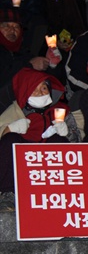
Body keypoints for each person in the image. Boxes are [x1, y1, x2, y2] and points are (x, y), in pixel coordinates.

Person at [0, 68, 80, 206]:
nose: (40, 93)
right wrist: (8, 129)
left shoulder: (61, 112)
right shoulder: (15, 111)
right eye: (34, 89)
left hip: (47, 165)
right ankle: (8, 195)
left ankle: (61, 194)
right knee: (10, 139)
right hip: (20, 165)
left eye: (43, 88)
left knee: (58, 141)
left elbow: (78, 145)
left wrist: (67, 133)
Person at [0, 7, 49, 88]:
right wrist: (29, 65)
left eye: (16, 27)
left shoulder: (24, 53)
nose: (12, 30)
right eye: (6, 26)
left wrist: (52, 63)